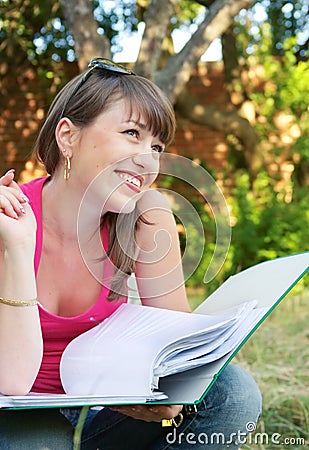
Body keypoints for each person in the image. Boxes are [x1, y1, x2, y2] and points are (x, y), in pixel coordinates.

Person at [0, 57, 262, 449]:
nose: (148, 159)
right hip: (17, 405)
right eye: (131, 133)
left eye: (156, 145)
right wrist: (17, 248)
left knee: (234, 393)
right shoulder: (10, 218)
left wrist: (168, 399)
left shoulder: (144, 219)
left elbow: (177, 360)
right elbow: (12, 382)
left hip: (101, 404)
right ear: (68, 136)